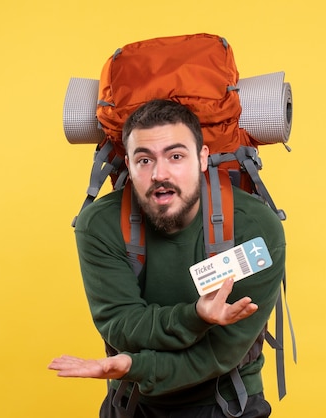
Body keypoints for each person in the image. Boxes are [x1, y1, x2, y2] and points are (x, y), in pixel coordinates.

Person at [49, 99, 286, 417]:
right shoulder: (100, 224)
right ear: (129, 166)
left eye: (176, 156)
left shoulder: (253, 228)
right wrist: (196, 317)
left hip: (226, 402)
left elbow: (219, 354)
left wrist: (135, 364)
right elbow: (122, 325)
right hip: (133, 404)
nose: (160, 173)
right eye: (144, 160)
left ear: (202, 159)